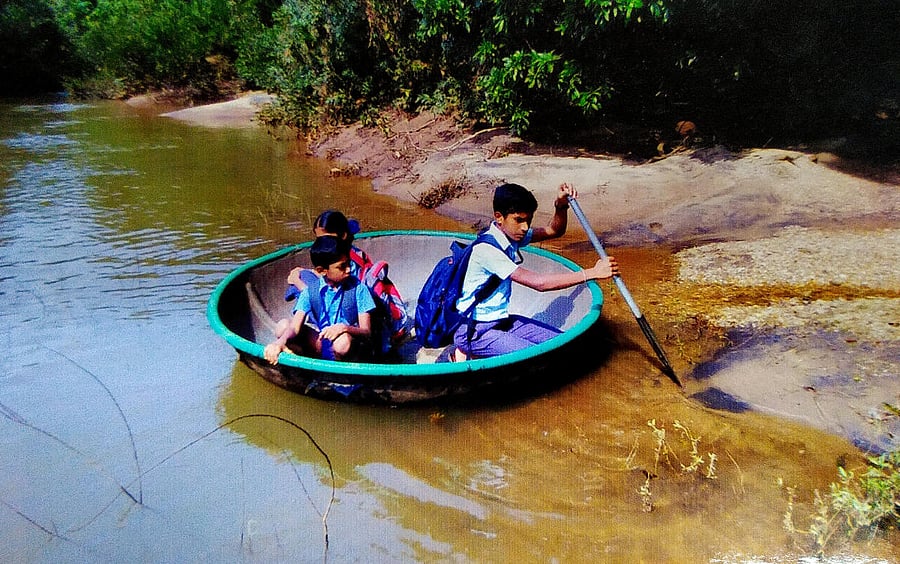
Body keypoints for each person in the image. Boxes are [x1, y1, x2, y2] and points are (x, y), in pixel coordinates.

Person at [452, 182, 618, 360]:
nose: (525, 227)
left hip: (499, 321)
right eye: (519, 220)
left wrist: (560, 205)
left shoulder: (509, 235)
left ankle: (484, 351)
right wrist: (592, 272)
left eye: (528, 220)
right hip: (474, 331)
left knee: (561, 344)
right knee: (541, 357)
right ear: (499, 217)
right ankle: (464, 352)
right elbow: (539, 283)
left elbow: (554, 230)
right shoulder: (488, 250)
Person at [265, 235, 376, 364]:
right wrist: (279, 342)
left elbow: (366, 332)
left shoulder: (359, 289)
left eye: (348, 264)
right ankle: (304, 363)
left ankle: (344, 374)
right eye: (342, 266)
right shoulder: (310, 291)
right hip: (321, 340)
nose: (349, 269)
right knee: (283, 327)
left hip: (349, 344)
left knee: (342, 342)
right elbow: (295, 327)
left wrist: (344, 328)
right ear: (322, 271)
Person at [285, 209, 368, 298]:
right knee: (304, 273)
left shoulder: (347, 261)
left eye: (326, 238)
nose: (322, 243)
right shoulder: (346, 252)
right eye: (318, 239)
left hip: (346, 300)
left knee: (303, 277)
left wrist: (297, 280)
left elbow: (340, 291)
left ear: (343, 235)